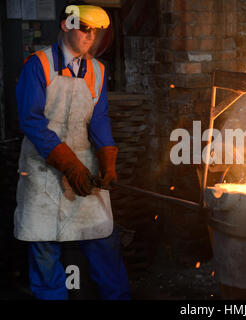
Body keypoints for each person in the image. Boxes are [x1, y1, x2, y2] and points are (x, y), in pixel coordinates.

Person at [14, 2, 131, 300]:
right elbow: (31, 120)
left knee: (103, 240)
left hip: (85, 168)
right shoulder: (37, 65)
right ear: (67, 26)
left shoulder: (97, 71)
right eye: (84, 29)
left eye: (96, 33)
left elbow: (99, 118)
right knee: (44, 247)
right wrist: (68, 164)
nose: (90, 37)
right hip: (42, 173)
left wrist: (107, 160)